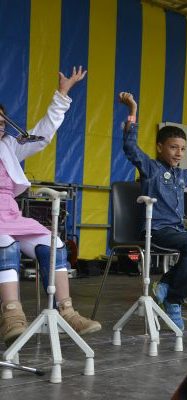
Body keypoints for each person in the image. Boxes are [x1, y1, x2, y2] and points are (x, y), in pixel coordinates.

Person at [0, 67, 102, 346]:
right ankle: (11, 316)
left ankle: (66, 311)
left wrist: (62, 94)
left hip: (10, 216)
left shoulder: (9, 146)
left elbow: (42, 134)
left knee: (54, 244)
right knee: (4, 244)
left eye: (1, 122)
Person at [119, 92, 187, 330]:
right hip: (155, 229)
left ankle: (166, 285)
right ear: (159, 147)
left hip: (176, 230)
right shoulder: (151, 168)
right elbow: (130, 147)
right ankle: (174, 301)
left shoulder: (181, 175)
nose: (179, 153)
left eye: (183, 149)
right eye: (173, 147)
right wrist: (133, 110)